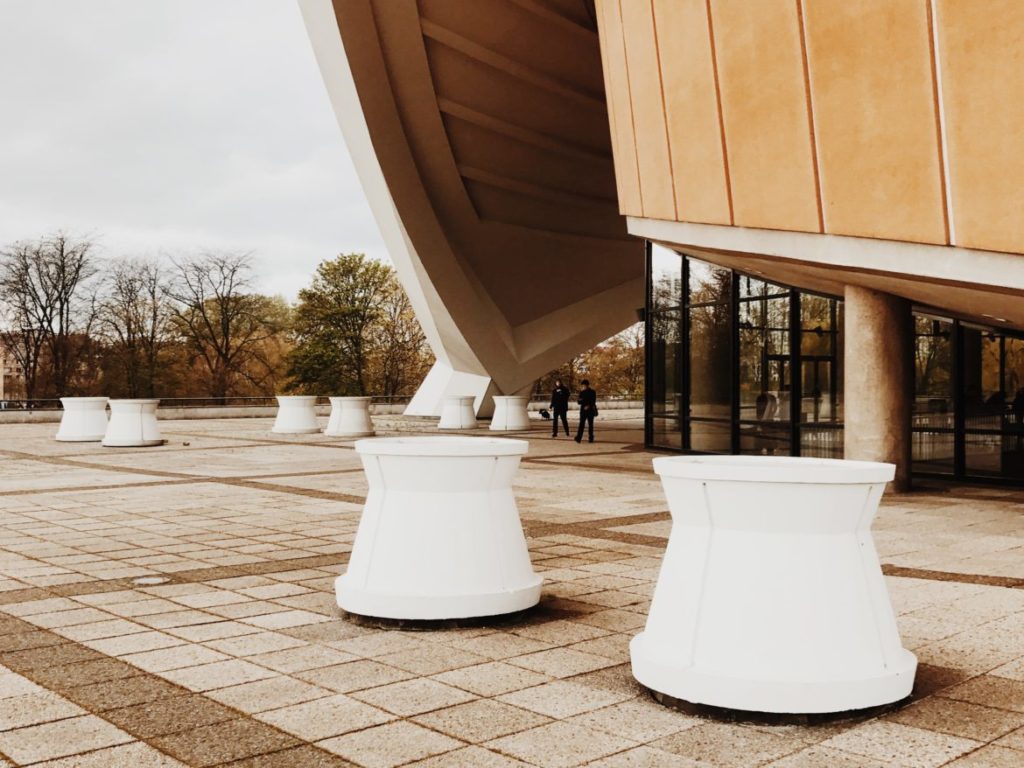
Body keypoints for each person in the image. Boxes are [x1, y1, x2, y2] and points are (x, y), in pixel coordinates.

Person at [574, 379, 598, 443]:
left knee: (590, 425)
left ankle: (590, 438)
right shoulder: (582, 392)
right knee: (581, 424)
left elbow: (593, 401)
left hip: (590, 410)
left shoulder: (592, 392)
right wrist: (582, 400)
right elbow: (579, 401)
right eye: (582, 386)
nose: (583, 387)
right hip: (583, 410)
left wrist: (588, 405)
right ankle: (579, 438)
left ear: (587, 385)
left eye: (584, 385)